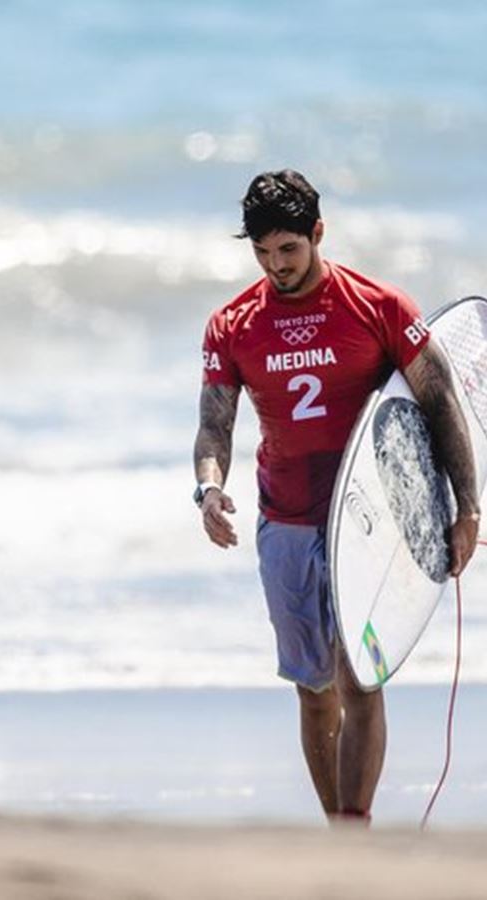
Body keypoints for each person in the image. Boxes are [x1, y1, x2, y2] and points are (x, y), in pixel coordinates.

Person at [192, 169, 480, 823]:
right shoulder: (232, 325)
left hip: (368, 521)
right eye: (263, 253)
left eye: (289, 249)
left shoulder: (379, 307)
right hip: (285, 520)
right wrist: (208, 489)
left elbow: (439, 405)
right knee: (313, 689)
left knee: (359, 681)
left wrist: (466, 508)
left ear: (318, 234)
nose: (276, 265)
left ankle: (355, 828)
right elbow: (214, 424)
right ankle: (336, 829)